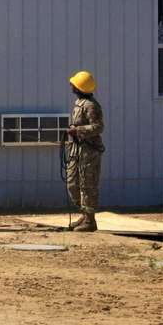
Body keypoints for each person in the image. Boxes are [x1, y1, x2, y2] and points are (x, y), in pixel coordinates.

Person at [65, 71, 105, 232]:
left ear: (79, 88)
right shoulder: (79, 103)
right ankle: (83, 214)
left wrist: (78, 130)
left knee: (87, 184)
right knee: (72, 183)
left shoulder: (91, 105)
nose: (71, 86)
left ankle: (90, 220)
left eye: (74, 84)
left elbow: (99, 127)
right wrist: (73, 139)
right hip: (78, 148)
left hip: (89, 151)